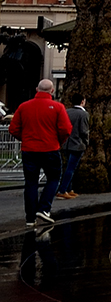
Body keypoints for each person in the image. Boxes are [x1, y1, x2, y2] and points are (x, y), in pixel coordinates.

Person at [10, 79, 70, 226]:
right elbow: (66, 129)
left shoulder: (24, 107)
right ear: (52, 91)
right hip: (50, 148)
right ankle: (44, 208)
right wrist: (58, 142)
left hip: (29, 149)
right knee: (54, 178)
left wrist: (24, 138)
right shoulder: (58, 107)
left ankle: (30, 218)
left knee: (30, 183)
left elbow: (13, 129)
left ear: (37, 89)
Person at [59, 93, 89, 199]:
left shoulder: (67, 112)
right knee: (71, 168)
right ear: (82, 101)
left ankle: (69, 189)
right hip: (77, 144)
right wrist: (86, 142)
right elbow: (84, 131)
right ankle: (63, 190)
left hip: (66, 143)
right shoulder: (83, 114)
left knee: (68, 166)